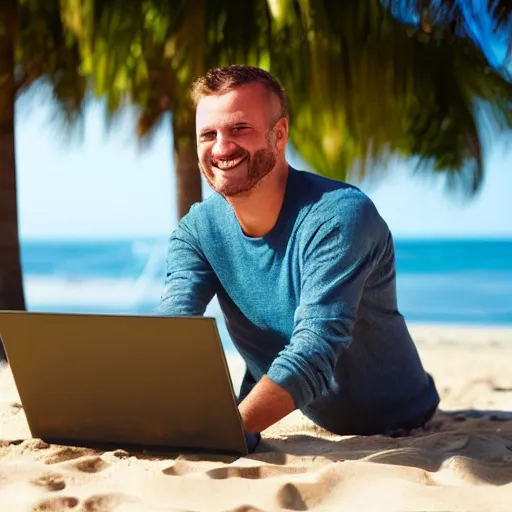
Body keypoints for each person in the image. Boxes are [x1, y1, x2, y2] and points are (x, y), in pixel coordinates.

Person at [155, 65, 440, 449]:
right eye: (208, 134)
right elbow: (171, 330)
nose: (221, 148)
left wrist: (224, 432)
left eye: (240, 128)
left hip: (395, 419)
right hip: (294, 412)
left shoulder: (339, 215)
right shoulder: (198, 230)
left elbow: (314, 350)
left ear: (279, 134)